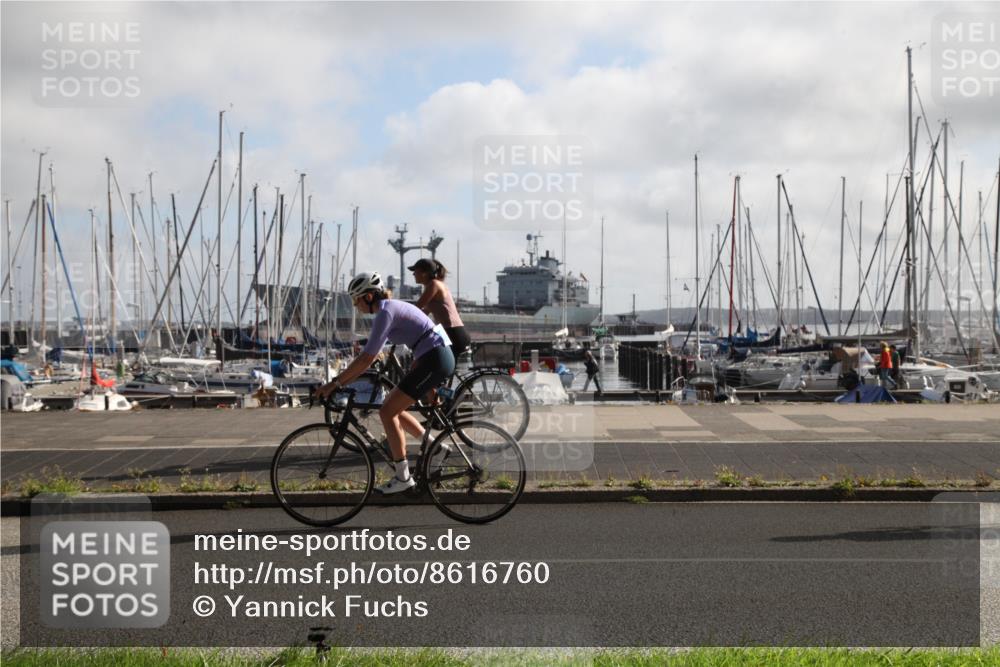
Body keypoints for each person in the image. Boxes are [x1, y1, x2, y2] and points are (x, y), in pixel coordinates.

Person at [315, 271, 455, 494]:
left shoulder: (385, 312)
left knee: (387, 412)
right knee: (392, 407)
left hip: (434, 359)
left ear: (369, 296)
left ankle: (403, 477)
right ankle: (435, 448)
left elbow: (366, 358)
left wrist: (333, 384)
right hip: (432, 357)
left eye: (355, 300)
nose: (355, 305)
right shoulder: (390, 308)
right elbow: (422, 336)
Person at [410, 258, 472, 359]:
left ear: (424, 273)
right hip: (445, 331)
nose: (413, 274)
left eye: (415, 271)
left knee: (434, 363)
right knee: (436, 365)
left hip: (453, 332)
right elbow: (423, 312)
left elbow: (416, 308)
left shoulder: (434, 285)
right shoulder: (434, 286)